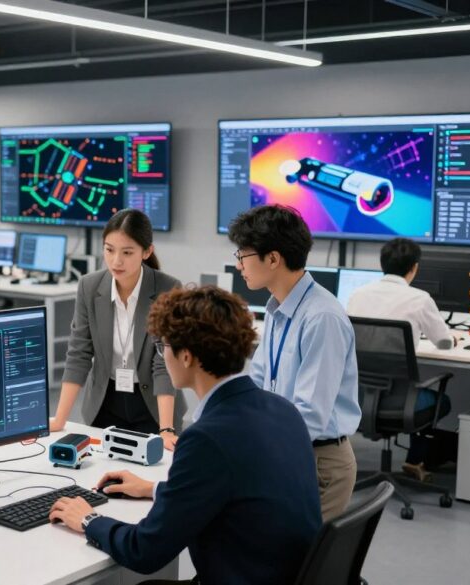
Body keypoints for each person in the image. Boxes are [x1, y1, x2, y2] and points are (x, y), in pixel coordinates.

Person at [48, 286, 322, 585]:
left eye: (163, 346)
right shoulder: (282, 409)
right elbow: (238, 489)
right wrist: (156, 489)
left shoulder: (207, 438)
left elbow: (145, 550)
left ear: (187, 357)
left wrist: (88, 519)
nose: (162, 355)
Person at [228, 204, 361, 522]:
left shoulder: (321, 317)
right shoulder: (278, 308)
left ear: (273, 259)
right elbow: (258, 384)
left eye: (243, 255)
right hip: (286, 448)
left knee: (292, 553)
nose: (238, 265)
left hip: (318, 462)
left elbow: (310, 415)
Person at [50, 209, 185, 449]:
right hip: (104, 402)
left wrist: (166, 429)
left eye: (127, 252)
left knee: (154, 468)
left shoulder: (168, 289)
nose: (116, 261)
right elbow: (79, 353)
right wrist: (60, 419)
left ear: (147, 252)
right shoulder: (89, 286)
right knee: (99, 469)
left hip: (153, 406)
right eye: (109, 250)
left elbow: (164, 362)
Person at [346, 237, 455, 481]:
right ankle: (415, 460)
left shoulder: (357, 295)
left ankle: (414, 461)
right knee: (443, 400)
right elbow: (444, 343)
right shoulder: (420, 299)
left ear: (382, 264)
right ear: (414, 267)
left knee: (412, 388)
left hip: (359, 400)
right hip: (401, 403)